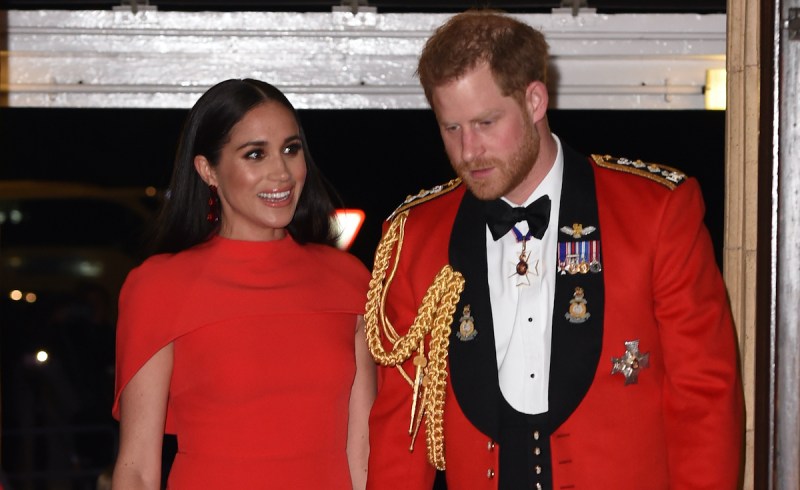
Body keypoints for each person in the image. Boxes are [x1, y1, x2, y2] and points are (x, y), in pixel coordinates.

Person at [365, 10, 743, 490]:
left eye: (485, 122)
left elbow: (704, 402)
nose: (468, 151)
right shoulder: (415, 237)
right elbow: (403, 430)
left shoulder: (655, 212)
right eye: (451, 128)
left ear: (535, 100)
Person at [111, 78, 375, 489]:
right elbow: (138, 470)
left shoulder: (348, 280)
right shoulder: (159, 287)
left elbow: (364, 459)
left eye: (291, 149)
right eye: (256, 154)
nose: (281, 172)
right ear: (208, 170)